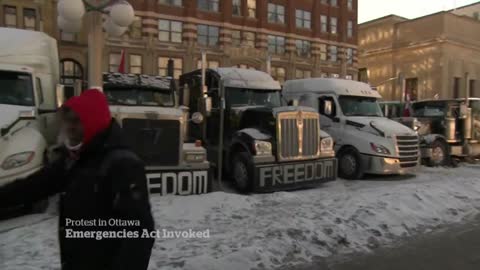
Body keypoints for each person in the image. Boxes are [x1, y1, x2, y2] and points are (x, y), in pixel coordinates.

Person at [0, 89, 155, 270]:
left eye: (77, 121)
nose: (70, 127)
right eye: (67, 121)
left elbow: (140, 232)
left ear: (93, 121)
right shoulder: (74, 159)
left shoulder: (122, 164)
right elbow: (33, 186)